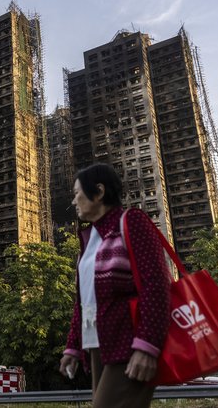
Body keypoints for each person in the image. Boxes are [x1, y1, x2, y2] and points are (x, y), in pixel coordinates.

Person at [59, 163, 171, 408]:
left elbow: (157, 284)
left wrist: (147, 345)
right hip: (98, 346)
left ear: (98, 192)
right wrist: (73, 347)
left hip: (130, 343)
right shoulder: (89, 239)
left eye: (77, 193)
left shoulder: (131, 223)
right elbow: (84, 301)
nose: (74, 201)